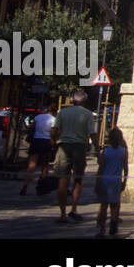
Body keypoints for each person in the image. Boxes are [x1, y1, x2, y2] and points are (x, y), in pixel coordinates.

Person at [51, 90, 94, 223]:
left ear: (72, 100)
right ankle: (74, 209)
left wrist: (54, 142)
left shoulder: (62, 113)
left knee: (62, 180)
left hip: (63, 146)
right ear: (84, 101)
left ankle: (62, 213)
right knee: (78, 179)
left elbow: (54, 130)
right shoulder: (87, 114)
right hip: (79, 147)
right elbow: (92, 133)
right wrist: (98, 150)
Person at [94, 128, 128, 238]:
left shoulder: (106, 152)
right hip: (116, 180)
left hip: (105, 180)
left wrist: (97, 182)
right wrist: (124, 181)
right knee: (115, 205)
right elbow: (125, 168)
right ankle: (114, 222)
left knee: (104, 206)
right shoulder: (123, 152)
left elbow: (101, 168)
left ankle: (102, 229)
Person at [20, 107, 56, 195]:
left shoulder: (38, 117)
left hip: (36, 141)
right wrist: (53, 140)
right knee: (44, 166)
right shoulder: (53, 119)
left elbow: (30, 127)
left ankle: (24, 186)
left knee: (31, 165)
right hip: (46, 142)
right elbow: (52, 132)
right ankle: (41, 187)